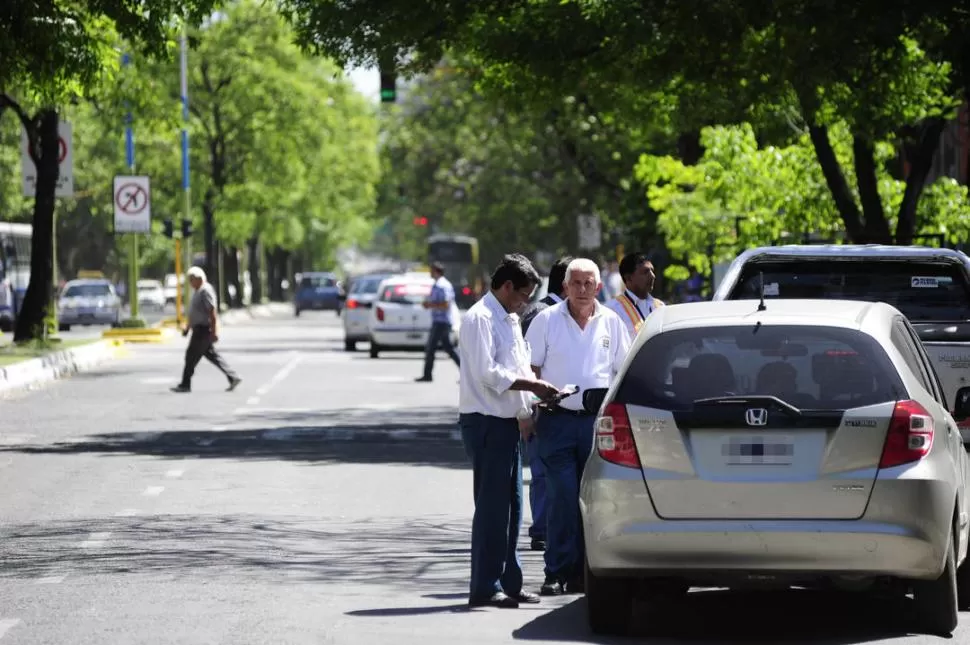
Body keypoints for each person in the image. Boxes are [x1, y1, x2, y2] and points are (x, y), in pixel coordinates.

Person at [458, 253, 563, 609]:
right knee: (492, 509)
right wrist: (533, 388)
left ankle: (508, 580)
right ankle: (485, 585)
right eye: (523, 294)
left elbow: (518, 368)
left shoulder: (509, 319)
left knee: (513, 508)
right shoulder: (480, 319)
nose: (525, 302)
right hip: (486, 422)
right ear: (506, 287)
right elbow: (489, 374)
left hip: (507, 421)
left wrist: (535, 399)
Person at [524, 258, 631, 596]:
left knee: (594, 502)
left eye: (589, 283)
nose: (583, 289)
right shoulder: (545, 321)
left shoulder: (612, 322)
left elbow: (622, 373)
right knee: (561, 498)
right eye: (577, 283)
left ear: (598, 287)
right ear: (565, 287)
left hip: (597, 425)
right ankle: (555, 571)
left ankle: (586, 573)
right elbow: (530, 369)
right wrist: (528, 411)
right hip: (556, 421)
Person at [518, 255, 572, 552]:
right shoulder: (543, 313)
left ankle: (546, 526)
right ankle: (541, 527)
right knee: (541, 470)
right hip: (542, 405)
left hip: (558, 405)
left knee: (546, 471)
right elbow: (528, 364)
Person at [171, 266, 241, 393]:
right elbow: (195, 314)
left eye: (192, 279)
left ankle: (185, 384)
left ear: (199, 278)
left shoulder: (205, 291)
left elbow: (212, 311)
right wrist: (187, 328)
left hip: (203, 331)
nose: (190, 282)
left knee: (190, 356)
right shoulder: (198, 291)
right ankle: (233, 377)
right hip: (198, 330)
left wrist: (214, 332)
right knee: (212, 356)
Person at [416, 262, 460, 382]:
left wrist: (430, 304)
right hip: (439, 321)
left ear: (436, 271)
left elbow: (446, 304)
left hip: (442, 321)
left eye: (431, 270)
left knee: (431, 348)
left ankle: (427, 375)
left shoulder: (442, 285)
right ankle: (467, 374)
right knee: (448, 348)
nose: (430, 273)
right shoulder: (438, 284)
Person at [606, 252, 664, 338]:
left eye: (652, 271)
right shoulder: (613, 310)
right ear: (629, 278)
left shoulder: (660, 307)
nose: (652, 276)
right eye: (645, 272)